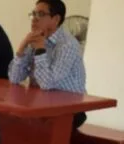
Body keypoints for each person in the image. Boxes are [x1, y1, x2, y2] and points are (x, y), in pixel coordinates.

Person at [9, 0, 87, 128]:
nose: (34, 19)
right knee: (10, 119)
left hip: (68, 110)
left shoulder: (68, 45)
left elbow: (47, 83)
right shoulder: (37, 38)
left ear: (56, 19)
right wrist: (22, 47)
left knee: (27, 129)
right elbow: (14, 78)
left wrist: (40, 50)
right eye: (33, 14)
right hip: (40, 103)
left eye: (40, 14)